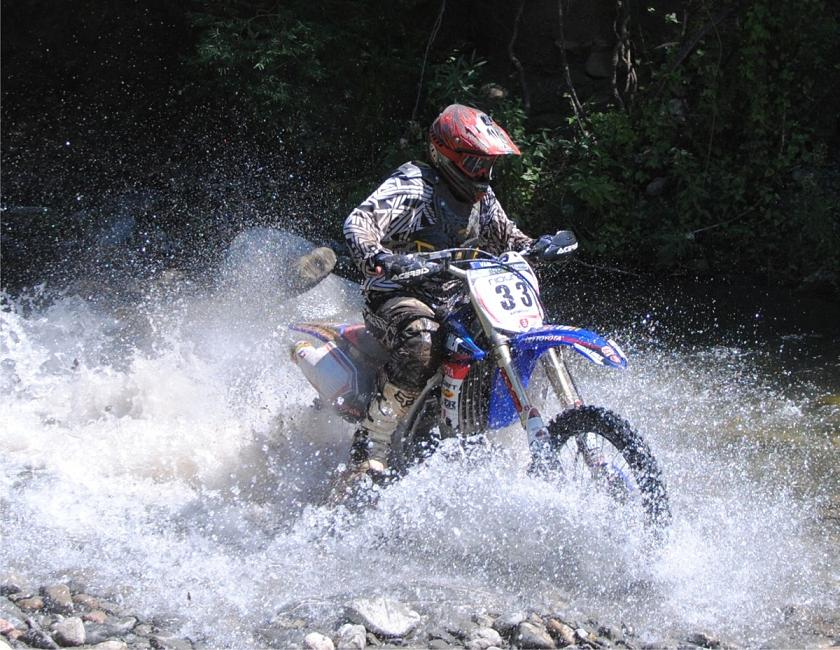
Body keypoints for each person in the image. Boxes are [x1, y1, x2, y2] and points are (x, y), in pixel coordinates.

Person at [341, 103, 571, 489]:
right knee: (422, 340)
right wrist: (380, 257)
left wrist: (538, 246)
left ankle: (539, 426)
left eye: (488, 165)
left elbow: (508, 238)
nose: (484, 174)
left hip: (459, 296)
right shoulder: (416, 184)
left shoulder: (482, 199)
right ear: (445, 155)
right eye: (476, 164)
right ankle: (372, 444)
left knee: (521, 335)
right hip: (399, 295)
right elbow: (358, 222)